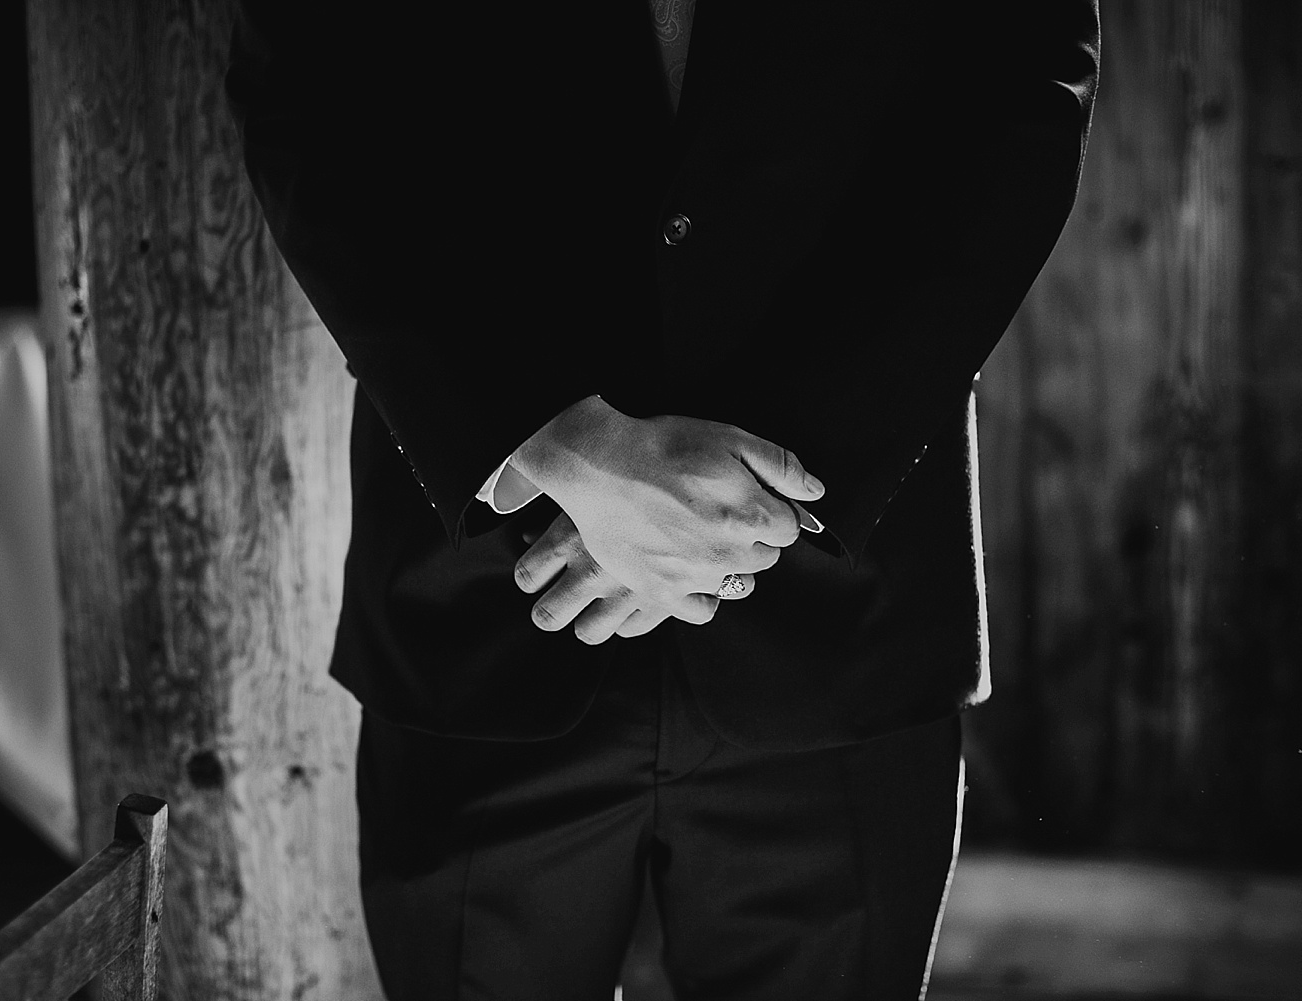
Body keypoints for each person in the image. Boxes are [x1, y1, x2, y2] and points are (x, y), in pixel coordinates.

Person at [226, 2, 1099, 997]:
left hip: (837, 626)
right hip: (483, 612)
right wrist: (541, 435)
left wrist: (773, 476)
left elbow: (1026, 81)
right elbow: (303, 84)